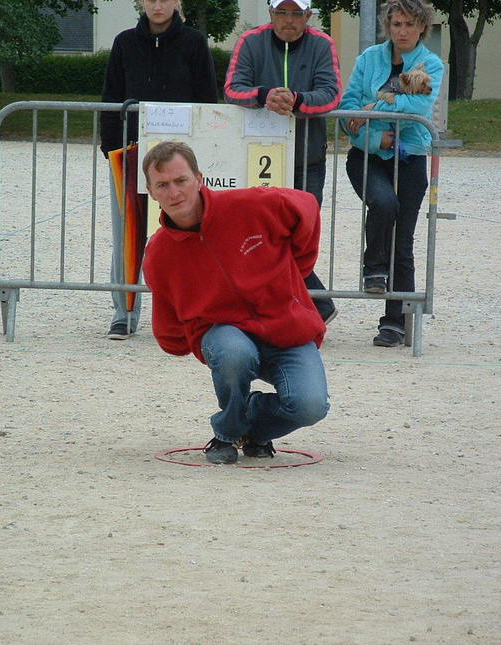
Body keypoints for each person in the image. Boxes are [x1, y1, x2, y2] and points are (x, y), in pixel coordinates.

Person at [141, 141, 330, 465]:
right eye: (163, 185)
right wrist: (192, 340)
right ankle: (227, 433)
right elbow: (169, 323)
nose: (174, 192)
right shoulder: (159, 253)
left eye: (181, 180)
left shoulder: (251, 205)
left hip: (287, 327)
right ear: (151, 191)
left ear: (199, 178)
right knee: (233, 352)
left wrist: (299, 270)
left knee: (311, 406)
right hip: (225, 334)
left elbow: (307, 207)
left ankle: (254, 426)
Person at [100, 0, 218, 340]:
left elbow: (207, 99)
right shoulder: (125, 42)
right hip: (132, 152)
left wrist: (200, 154)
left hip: (180, 158)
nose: (158, 5)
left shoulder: (194, 42)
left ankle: (193, 311)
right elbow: (111, 97)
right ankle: (124, 312)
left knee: (188, 234)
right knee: (128, 235)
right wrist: (112, 150)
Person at [224, 0, 340, 326]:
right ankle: (311, 305)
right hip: (258, 156)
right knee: (262, 234)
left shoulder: (322, 44)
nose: (289, 20)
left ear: (309, 16)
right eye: (282, 12)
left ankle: (308, 305)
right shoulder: (250, 41)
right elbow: (232, 89)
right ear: (271, 13)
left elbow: (332, 94)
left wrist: (297, 101)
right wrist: (264, 96)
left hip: (307, 157)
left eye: (296, 14)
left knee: (300, 236)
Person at [339, 0, 443, 347]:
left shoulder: (431, 64)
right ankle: (374, 269)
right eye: (397, 24)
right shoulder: (368, 59)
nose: (403, 31)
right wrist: (375, 136)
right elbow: (348, 111)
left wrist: (374, 106)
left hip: (410, 158)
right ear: (388, 26)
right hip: (367, 156)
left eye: (410, 24)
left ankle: (395, 322)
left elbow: (420, 107)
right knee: (383, 203)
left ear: (422, 27)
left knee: (404, 241)